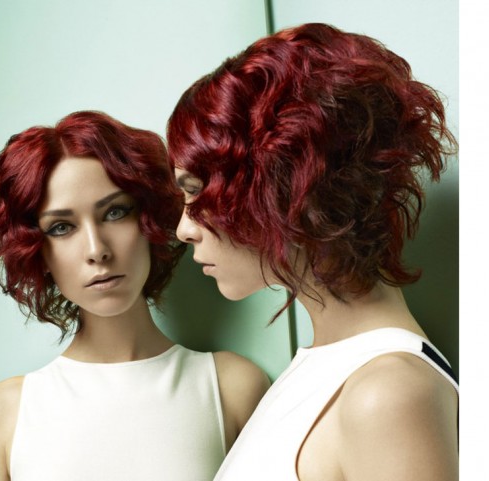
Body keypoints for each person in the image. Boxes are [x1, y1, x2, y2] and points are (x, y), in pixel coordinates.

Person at [167, 23, 458, 481]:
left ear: (284, 186)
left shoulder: (386, 393)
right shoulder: (327, 373)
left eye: (198, 194)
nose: (185, 229)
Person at [0, 110, 270, 481]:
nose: (97, 250)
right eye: (61, 227)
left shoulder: (232, 388)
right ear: (37, 251)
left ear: (148, 219)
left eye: (114, 212)